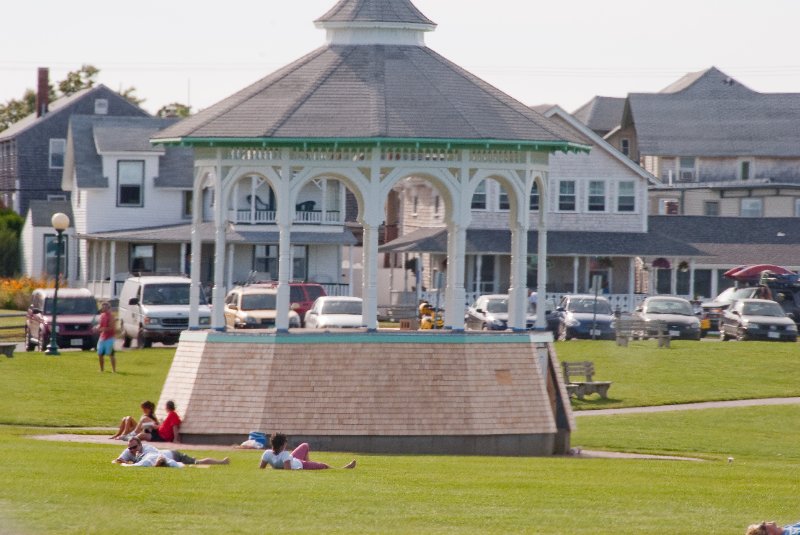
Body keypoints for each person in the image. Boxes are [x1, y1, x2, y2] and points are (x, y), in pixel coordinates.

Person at [259, 432, 355, 470]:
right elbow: (287, 471)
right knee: (324, 466)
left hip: (294, 459)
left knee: (305, 445)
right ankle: (342, 469)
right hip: (301, 464)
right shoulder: (284, 455)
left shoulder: (267, 453)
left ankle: (310, 463)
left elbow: (261, 468)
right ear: (282, 444)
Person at [113, 436, 229, 466]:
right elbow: (116, 461)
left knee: (197, 463)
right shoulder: (128, 451)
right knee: (193, 461)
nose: (132, 450)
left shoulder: (148, 449)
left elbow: (148, 461)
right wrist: (120, 461)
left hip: (173, 455)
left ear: (140, 445)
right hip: (169, 456)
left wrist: (130, 463)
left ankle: (222, 462)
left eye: (134, 447)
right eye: (130, 448)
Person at [95, 301, 116, 373]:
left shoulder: (111, 316)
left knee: (110, 354)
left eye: (104, 307)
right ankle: (102, 369)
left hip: (109, 338)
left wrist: (102, 329)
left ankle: (114, 370)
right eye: (102, 307)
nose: (103, 308)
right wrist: (97, 327)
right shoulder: (102, 315)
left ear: (108, 308)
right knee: (100, 354)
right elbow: (100, 325)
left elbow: (111, 327)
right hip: (102, 337)